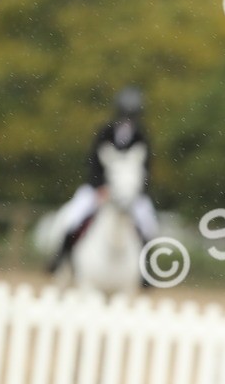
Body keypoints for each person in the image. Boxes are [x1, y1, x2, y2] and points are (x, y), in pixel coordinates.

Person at [47, 86, 158, 273]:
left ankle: (147, 272)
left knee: (149, 225)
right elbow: (92, 163)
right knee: (75, 216)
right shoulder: (104, 133)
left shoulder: (142, 137)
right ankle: (61, 257)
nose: (128, 119)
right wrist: (101, 187)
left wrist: (135, 191)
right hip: (98, 189)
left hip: (131, 193)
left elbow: (145, 170)